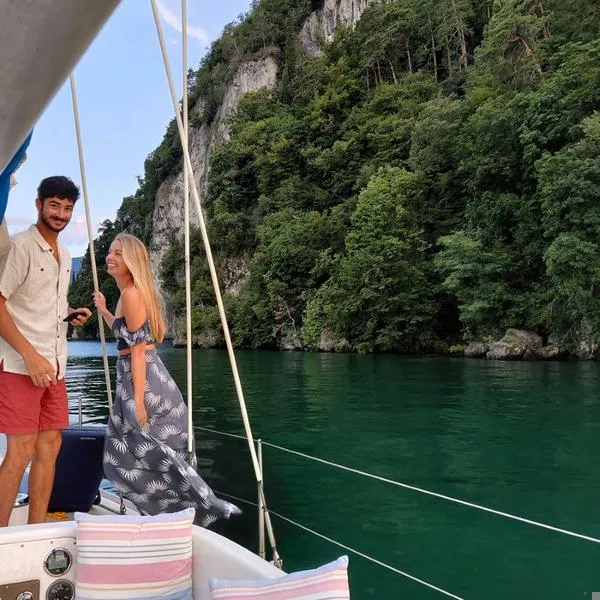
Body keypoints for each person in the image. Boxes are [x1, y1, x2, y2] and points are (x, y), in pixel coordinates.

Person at [93, 233, 239, 527]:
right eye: (110, 251)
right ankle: (174, 516)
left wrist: (138, 403)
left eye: (118, 253)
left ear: (132, 261)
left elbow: (137, 351)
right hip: (140, 375)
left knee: (137, 451)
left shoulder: (132, 294)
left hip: (142, 380)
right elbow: (125, 335)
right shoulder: (129, 294)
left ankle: (194, 509)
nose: (110, 257)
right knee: (140, 451)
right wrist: (104, 310)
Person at [0, 176, 92, 527]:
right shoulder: (20, 247)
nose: (61, 214)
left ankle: (36, 529)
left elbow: (44, 305)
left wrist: (69, 314)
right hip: (19, 365)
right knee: (20, 449)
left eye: (67, 208)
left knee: (50, 446)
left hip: (56, 365)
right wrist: (30, 356)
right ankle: (2, 538)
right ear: (39, 205)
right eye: (54, 205)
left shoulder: (65, 255)